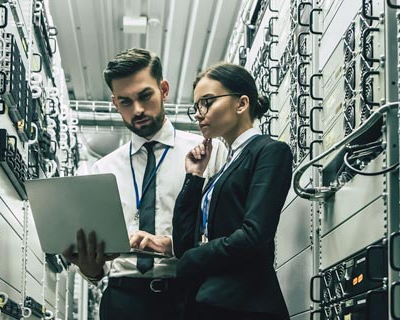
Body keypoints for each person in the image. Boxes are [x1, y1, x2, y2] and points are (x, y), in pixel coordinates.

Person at [60, 48, 224, 320]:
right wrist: (89, 267)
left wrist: (171, 245)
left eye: (145, 96)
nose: (137, 110)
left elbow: (225, 235)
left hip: (187, 297)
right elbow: (97, 270)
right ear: (115, 103)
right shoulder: (103, 169)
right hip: (122, 301)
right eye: (125, 102)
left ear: (164, 89)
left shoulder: (208, 152)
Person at [166, 62, 293, 319]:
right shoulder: (223, 168)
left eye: (208, 102)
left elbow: (254, 235)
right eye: (197, 106)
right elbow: (183, 243)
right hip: (210, 304)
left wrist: (193, 259)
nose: (200, 113)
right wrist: (194, 176)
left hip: (246, 306)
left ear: (242, 104)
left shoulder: (269, 152)